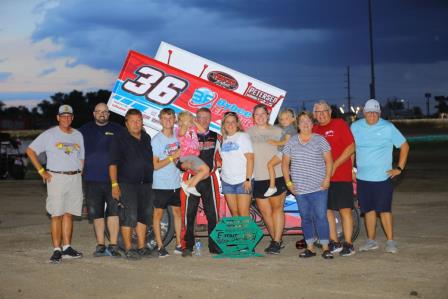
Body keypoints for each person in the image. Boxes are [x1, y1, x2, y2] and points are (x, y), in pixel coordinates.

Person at [26, 104, 84, 264]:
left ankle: (67, 248)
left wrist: (80, 171)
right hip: (56, 178)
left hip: (75, 177)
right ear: (58, 118)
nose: (66, 118)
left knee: (69, 214)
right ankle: (56, 249)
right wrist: (41, 171)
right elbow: (30, 151)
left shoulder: (78, 135)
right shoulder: (50, 134)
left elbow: (82, 157)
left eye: (69, 116)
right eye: (63, 116)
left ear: (72, 118)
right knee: (56, 214)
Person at [351, 99, 409, 254]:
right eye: (369, 112)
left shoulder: (388, 127)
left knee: (384, 210)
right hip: (363, 178)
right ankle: (371, 241)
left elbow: (404, 146)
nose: (372, 115)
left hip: (383, 178)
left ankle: (390, 241)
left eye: (375, 113)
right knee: (368, 211)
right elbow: (351, 149)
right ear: (363, 113)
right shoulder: (355, 127)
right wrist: (351, 169)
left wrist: (399, 168)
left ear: (379, 113)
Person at [282, 112, 334, 259]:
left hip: (319, 187)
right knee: (305, 218)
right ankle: (310, 248)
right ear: (297, 125)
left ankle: (325, 248)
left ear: (312, 124)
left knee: (321, 217)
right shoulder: (291, 142)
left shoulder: (320, 140)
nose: (305, 124)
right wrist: (288, 183)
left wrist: (327, 179)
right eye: (302, 122)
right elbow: (285, 164)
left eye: (308, 121)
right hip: (300, 189)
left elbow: (329, 161)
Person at [109, 109, 154, 260]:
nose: (136, 124)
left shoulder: (147, 138)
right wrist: (115, 185)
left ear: (142, 122)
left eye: (138, 120)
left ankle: (141, 247)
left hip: (146, 184)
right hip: (127, 184)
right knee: (129, 216)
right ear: (126, 123)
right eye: (132, 121)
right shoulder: (119, 139)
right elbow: (112, 164)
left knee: (144, 216)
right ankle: (128, 248)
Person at [312, 100, 356, 256]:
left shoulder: (340, 124)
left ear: (330, 112)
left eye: (324, 111)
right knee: (327, 211)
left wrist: (335, 165)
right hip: (322, 178)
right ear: (314, 115)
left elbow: (351, 147)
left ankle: (349, 244)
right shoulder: (314, 130)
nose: (321, 114)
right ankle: (334, 241)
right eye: (317, 112)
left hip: (341, 175)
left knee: (345, 210)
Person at [79, 103, 123, 257]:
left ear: (109, 114)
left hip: (113, 180)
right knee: (96, 213)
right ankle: (100, 245)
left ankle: (113, 245)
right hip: (91, 179)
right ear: (94, 113)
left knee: (113, 212)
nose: (102, 114)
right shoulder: (84, 130)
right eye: (99, 111)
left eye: (105, 112)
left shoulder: (118, 130)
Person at [181, 108, 222, 257]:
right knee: (189, 214)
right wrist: (181, 165)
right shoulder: (188, 133)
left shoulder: (217, 137)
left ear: (211, 119)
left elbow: (224, 157)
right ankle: (187, 245)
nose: (203, 120)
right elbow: (179, 156)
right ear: (195, 119)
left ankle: (214, 245)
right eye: (200, 117)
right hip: (191, 178)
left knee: (213, 214)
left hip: (209, 178)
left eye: (206, 118)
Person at [247, 104, 287, 255]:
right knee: (265, 213)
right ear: (253, 117)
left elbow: (287, 150)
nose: (260, 116)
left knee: (277, 209)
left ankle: (276, 242)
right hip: (259, 177)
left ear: (268, 115)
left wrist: (274, 162)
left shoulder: (278, 131)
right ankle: (276, 239)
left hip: (276, 175)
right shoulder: (248, 133)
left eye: (263, 113)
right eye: (256, 114)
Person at [151, 108, 183, 257]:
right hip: (160, 184)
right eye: (164, 118)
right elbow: (155, 165)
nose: (168, 121)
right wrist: (172, 157)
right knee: (158, 215)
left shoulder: (179, 137)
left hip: (175, 183)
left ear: (175, 119)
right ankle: (160, 246)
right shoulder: (156, 140)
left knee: (177, 213)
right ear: (160, 120)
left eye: (170, 118)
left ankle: (178, 245)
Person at [220, 111, 254, 217]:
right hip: (227, 181)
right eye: (227, 122)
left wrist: (248, 179)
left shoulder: (243, 136)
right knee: (234, 214)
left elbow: (251, 159)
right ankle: (240, 235)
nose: (230, 124)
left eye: (233, 122)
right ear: (223, 125)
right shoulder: (223, 139)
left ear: (237, 123)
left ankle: (248, 234)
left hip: (242, 181)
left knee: (244, 214)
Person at [176, 111, 210, 196]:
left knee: (205, 174)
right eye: (188, 120)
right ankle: (191, 186)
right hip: (186, 156)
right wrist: (184, 123)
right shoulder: (178, 129)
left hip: (194, 156)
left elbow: (204, 132)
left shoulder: (193, 129)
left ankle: (186, 183)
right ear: (180, 122)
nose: (190, 122)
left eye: (191, 120)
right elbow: (182, 133)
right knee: (206, 169)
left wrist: (194, 122)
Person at [264, 109, 297, 197]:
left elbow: (287, 141)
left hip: (285, 152)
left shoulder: (290, 128)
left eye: (286, 118)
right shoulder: (287, 128)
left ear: (293, 119)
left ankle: (272, 186)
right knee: (284, 168)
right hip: (285, 152)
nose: (284, 121)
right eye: (282, 119)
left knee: (270, 165)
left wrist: (275, 143)